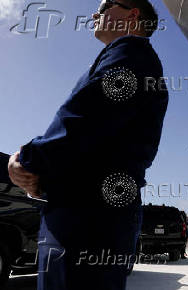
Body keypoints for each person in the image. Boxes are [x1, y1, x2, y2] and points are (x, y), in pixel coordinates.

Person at [7, 1, 168, 289]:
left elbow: (84, 122)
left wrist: (26, 160)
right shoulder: (125, 58)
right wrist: (41, 177)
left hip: (88, 215)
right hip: (87, 211)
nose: (95, 13)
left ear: (132, 14)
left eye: (105, 6)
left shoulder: (131, 56)